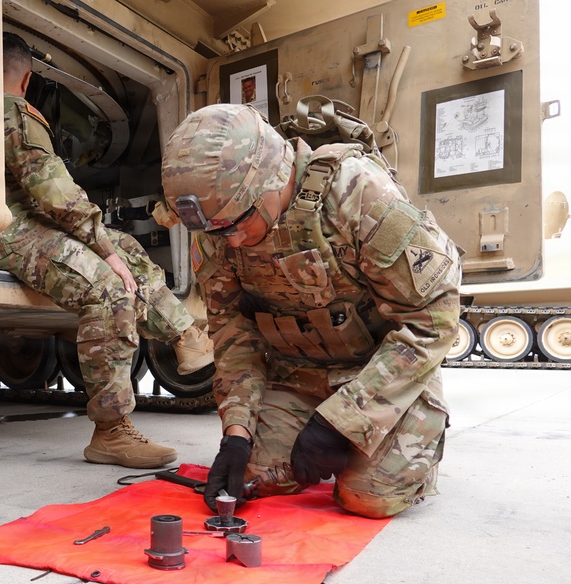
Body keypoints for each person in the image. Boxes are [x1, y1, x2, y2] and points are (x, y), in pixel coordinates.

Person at [161, 104, 461, 518]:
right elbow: (234, 334)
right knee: (255, 474)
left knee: (369, 497)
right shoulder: (220, 226)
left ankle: (417, 433)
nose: (229, 242)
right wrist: (236, 433)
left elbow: (434, 318)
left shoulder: (357, 193)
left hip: (379, 373)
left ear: (274, 177)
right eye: (215, 231)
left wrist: (344, 422)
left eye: (237, 224)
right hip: (297, 376)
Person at [0, 33, 213, 469]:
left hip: (22, 224)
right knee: (108, 287)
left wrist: (112, 247)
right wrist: (104, 249)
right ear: (25, 80)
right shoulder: (14, 114)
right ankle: (111, 432)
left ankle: (186, 337)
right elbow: (56, 195)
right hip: (1, 232)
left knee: (130, 250)